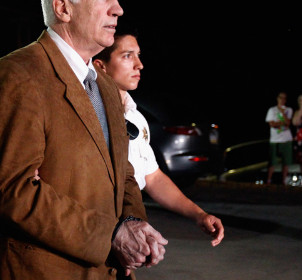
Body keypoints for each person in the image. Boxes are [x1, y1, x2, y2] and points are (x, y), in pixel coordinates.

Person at [0, 0, 167, 280]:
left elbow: (123, 172)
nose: (118, 9)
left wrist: (133, 223)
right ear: (63, 9)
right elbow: (11, 191)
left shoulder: (105, 85)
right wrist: (111, 236)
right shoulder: (19, 75)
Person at [93, 29, 225, 247]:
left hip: (129, 235)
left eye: (138, 55)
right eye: (127, 55)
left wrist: (199, 215)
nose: (139, 64)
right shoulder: (87, 115)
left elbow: (153, 177)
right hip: (97, 234)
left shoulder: (137, 118)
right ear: (100, 66)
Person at [265, 91, 294, 185]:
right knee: (272, 162)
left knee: (286, 162)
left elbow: (288, 123)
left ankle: (283, 181)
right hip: (274, 139)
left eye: (284, 98)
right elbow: (272, 124)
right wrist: (282, 123)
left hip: (286, 139)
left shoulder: (289, 110)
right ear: (277, 98)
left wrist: (283, 114)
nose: (282, 100)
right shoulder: (272, 110)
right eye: (281, 98)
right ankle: (268, 180)